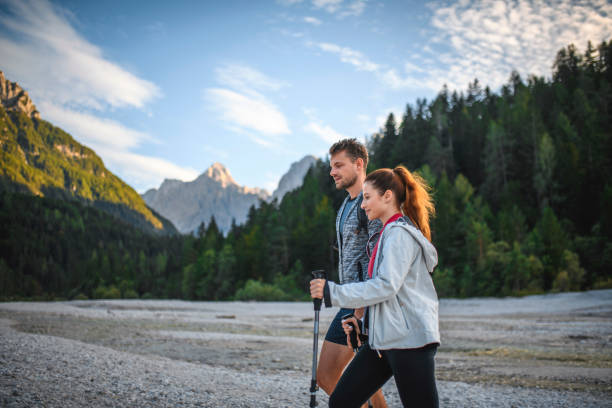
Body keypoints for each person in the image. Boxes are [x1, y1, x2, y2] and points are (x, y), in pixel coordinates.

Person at [310, 165, 440, 408]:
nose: (362, 204)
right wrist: (362, 324)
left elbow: (385, 286)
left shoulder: (399, 235)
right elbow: (387, 293)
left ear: (387, 196)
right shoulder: (385, 235)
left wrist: (332, 292)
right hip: (383, 340)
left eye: (368, 197)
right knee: (342, 401)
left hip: (410, 342)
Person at [319, 139, 386, 407]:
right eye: (331, 166)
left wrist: (361, 310)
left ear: (358, 164)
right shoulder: (346, 205)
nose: (332, 172)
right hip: (350, 300)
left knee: (335, 376)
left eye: (338, 165)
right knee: (328, 377)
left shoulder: (369, 204)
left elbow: (379, 257)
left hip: (364, 305)